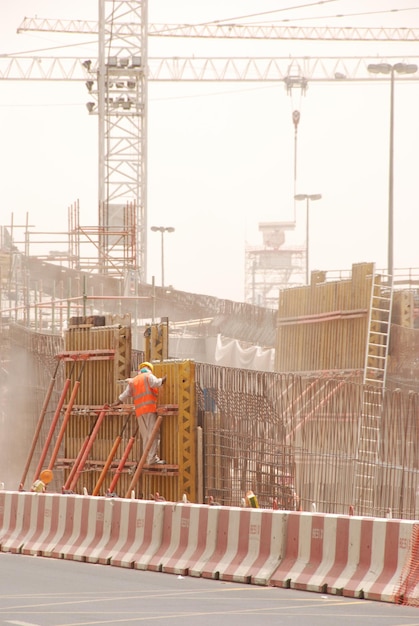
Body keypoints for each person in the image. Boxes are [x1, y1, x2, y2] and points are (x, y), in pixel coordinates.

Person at [112, 361, 167, 465]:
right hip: (149, 409)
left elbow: (125, 394)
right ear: (149, 368)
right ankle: (151, 459)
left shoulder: (134, 380)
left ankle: (148, 458)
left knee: (146, 435)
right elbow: (157, 383)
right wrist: (165, 377)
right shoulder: (148, 376)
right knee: (153, 434)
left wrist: (117, 402)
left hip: (139, 412)